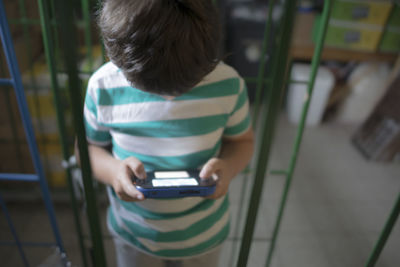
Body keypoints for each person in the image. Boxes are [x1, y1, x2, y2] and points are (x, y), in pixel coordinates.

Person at [83, 0, 254, 266]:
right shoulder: (103, 87)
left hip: (204, 231)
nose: (170, 97)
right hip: (134, 232)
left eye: (188, 85)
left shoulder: (229, 85)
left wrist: (229, 167)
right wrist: (113, 172)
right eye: (152, 88)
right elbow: (86, 149)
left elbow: (242, 141)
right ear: (117, 58)